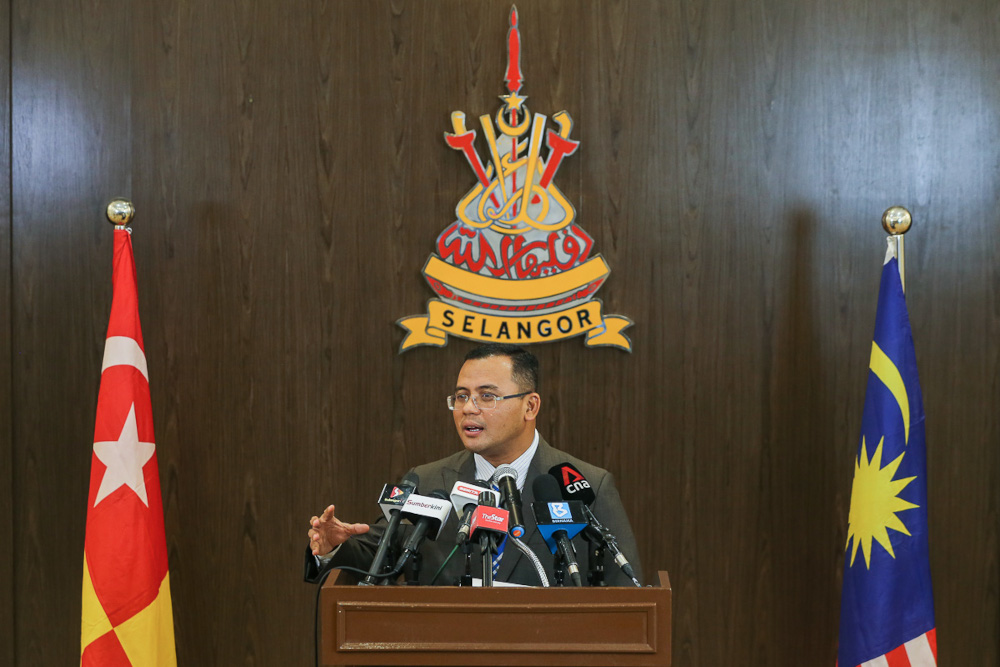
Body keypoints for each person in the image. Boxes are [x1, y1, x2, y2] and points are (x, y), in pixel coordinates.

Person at [304, 343, 642, 587]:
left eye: (487, 396)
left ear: (530, 406)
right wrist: (335, 544)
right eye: (461, 396)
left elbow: (624, 592)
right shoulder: (429, 480)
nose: (468, 408)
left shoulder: (585, 486)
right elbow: (380, 557)